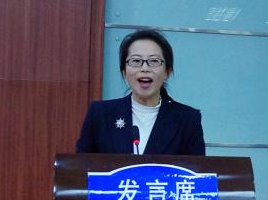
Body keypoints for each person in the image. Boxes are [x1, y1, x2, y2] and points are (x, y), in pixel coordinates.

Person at [76, 29, 205, 155]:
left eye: (154, 61)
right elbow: (81, 166)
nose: (144, 68)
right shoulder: (100, 114)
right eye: (136, 61)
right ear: (124, 72)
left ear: (167, 72)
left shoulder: (188, 120)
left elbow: (196, 168)